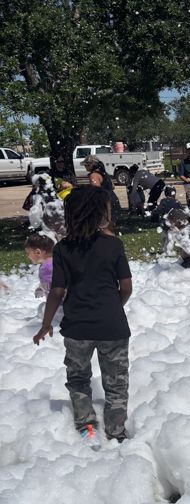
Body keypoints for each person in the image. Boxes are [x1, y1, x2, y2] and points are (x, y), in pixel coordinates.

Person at [32, 186, 132, 446]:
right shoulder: (114, 245)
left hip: (76, 328)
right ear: (101, 214)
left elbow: (57, 291)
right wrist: (112, 307)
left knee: (78, 378)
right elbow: (126, 287)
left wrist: (46, 324)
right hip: (113, 327)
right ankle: (116, 431)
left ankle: (86, 424)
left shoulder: (64, 249)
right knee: (116, 381)